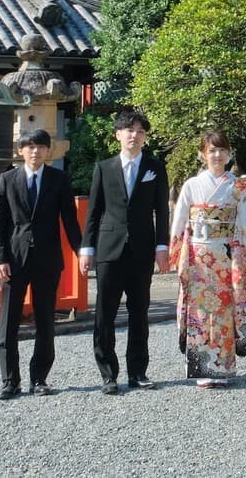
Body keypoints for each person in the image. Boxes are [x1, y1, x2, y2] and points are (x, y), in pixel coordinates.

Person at [79, 109, 170, 395]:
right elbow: (93, 212)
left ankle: (138, 372)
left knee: (139, 312)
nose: (134, 135)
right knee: (104, 313)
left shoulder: (155, 167)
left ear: (145, 137)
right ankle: (108, 374)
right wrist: (86, 248)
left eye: (140, 131)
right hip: (109, 248)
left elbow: (162, 211)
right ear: (118, 134)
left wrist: (162, 246)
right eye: (129, 130)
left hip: (142, 248)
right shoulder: (104, 168)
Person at [0, 128, 82, 400]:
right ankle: (10, 380)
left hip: (47, 257)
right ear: (20, 151)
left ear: (48, 151)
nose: (35, 151)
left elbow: (69, 219)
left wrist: (82, 251)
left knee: (45, 320)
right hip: (15, 259)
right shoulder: (7, 179)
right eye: (29, 146)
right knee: (9, 322)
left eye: (40, 146)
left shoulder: (58, 179)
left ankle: (39, 378)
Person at [169, 131, 246, 388]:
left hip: (225, 256)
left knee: (224, 310)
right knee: (198, 313)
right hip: (198, 256)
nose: (217, 155)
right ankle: (200, 368)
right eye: (211, 150)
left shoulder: (236, 187)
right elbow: (179, 221)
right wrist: (175, 252)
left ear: (229, 154)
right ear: (203, 155)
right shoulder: (191, 186)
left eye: (221, 150)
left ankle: (222, 367)